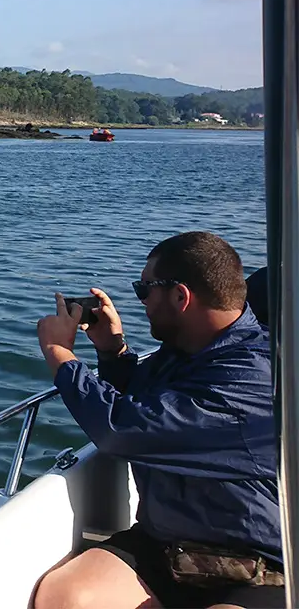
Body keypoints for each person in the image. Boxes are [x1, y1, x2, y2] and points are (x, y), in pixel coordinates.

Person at [32, 231, 281, 609]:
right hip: (164, 547)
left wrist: (59, 354)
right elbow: (147, 406)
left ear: (180, 296)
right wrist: (113, 351)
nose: (142, 301)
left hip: (256, 565)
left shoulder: (254, 377)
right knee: (65, 596)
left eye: (144, 290)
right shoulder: (185, 351)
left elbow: (123, 430)